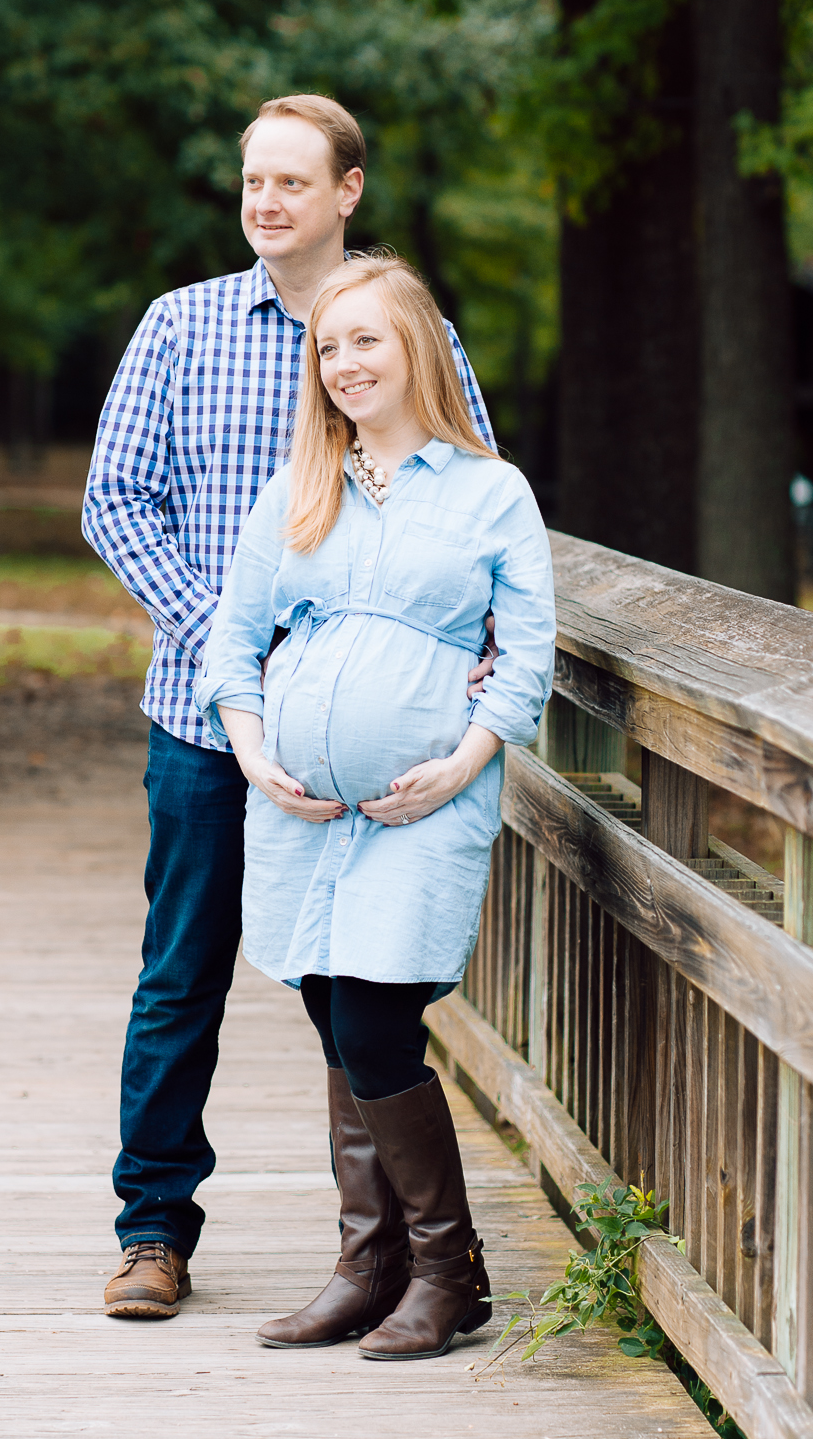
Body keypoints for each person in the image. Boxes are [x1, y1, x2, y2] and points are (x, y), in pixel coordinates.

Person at [82, 95, 496, 1320]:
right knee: (181, 973)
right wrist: (237, 648)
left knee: (355, 985)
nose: (267, 203)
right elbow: (117, 502)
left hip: (371, 745)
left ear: (348, 191)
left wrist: (477, 644)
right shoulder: (181, 326)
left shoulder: (407, 331)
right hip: (209, 727)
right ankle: (152, 1228)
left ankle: (374, 1257)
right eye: (253, 182)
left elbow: (466, 498)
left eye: (293, 184)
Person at [196, 254, 555, 1360]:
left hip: (422, 804)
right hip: (303, 810)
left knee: (374, 1018)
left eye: (366, 341)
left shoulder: (490, 491)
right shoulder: (303, 482)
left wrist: (466, 760)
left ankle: (449, 1271)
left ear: (419, 349)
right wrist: (254, 749)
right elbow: (234, 634)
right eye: (328, 346)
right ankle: (372, 1264)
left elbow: (529, 652)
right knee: (325, 1008)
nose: (344, 364)